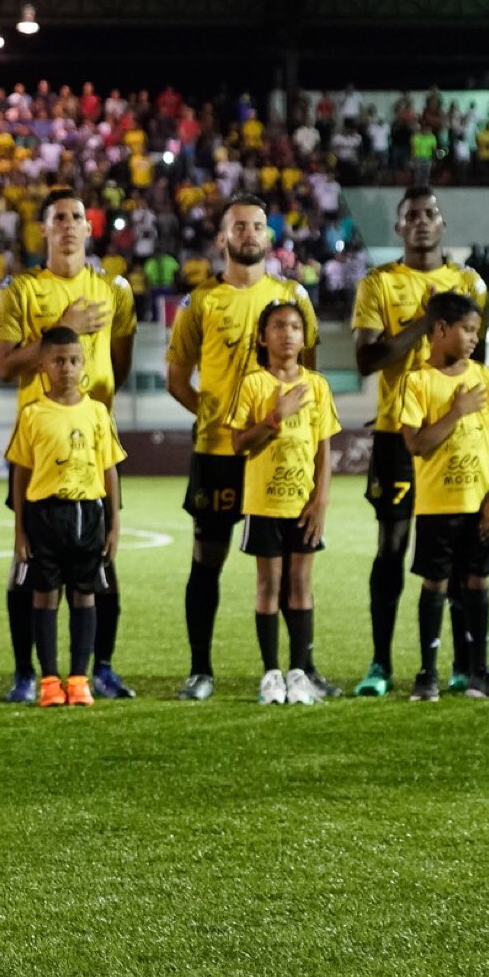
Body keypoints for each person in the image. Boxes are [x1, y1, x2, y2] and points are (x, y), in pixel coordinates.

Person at [168, 196, 322, 702]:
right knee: (206, 560)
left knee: (291, 564)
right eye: (239, 226)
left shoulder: (291, 296)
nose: (250, 233)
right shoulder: (202, 301)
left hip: (280, 456)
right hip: (219, 452)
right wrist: (215, 418)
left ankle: (301, 669)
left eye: (258, 225)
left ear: (269, 236)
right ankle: (200, 669)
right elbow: (176, 378)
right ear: (222, 237)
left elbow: (310, 368)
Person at [0, 188, 137, 702]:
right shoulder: (21, 290)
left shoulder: (114, 289)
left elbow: (117, 363)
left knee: (101, 563)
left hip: (90, 451)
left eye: (78, 216)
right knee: (26, 565)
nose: (70, 225)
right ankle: (26, 673)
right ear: (45, 229)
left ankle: (100, 667)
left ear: (89, 227)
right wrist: (64, 329)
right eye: (60, 218)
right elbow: (6, 366)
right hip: (39, 455)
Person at [349, 187, 489, 697]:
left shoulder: (469, 282)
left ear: (443, 224)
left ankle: (456, 664)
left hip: (453, 437)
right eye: (412, 216)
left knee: (453, 551)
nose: (423, 222)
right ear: (399, 228)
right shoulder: (378, 285)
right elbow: (367, 361)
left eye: (431, 214)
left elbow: (479, 359)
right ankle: (381, 663)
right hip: (396, 435)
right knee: (391, 547)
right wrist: (423, 322)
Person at [397, 292, 489, 701]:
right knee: (436, 584)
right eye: (466, 329)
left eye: (476, 332)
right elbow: (416, 443)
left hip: (478, 505)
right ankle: (428, 673)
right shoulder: (417, 381)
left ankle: (477, 670)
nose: (472, 339)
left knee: (478, 582)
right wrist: (456, 411)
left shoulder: (485, 377)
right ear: (440, 330)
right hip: (437, 506)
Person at [227, 301, 339, 705]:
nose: (287, 333)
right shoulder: (253, 384)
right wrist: (275, 418)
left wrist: (320, 500)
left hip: (303, 504)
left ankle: (298, 672)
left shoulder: (318, 386)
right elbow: (239, 443)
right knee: (268, 585)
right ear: (262, 336)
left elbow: (324, 450)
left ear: (304, 336)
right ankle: (271, 673)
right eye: (278, 326)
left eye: (295, 326)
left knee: (301, 585)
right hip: (264, 503)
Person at [7, 327, 125, 707]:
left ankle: (79, 678)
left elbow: (109, 470)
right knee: (44, 596)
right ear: (43, 364)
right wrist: (20, 529)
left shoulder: (96, 412)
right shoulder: (33, 414)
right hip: (45, 514)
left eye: (73, 360)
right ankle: (49, 680)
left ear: (83, 363)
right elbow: (21, 473)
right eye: (58, 360)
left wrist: (113, 525)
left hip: (88, 512)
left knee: (85, 595)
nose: (66, 368)